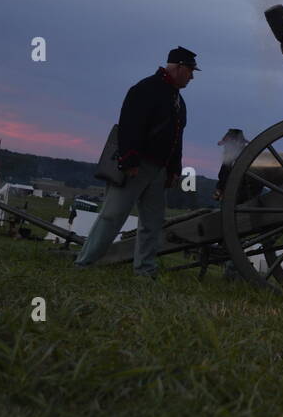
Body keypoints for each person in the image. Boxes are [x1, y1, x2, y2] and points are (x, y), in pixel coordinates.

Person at [74, 47, 196, 276]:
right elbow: (129, 126)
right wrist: (129, 161)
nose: (192, 76)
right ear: (178, 67)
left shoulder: (178, 100)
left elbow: (176, 139)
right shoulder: (146, 89)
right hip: (137, 166)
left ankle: (145, 270)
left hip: (159, 171)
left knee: (152, 223)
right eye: (190, 71)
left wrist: (173, 169)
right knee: (112, 215)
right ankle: (84, 263)